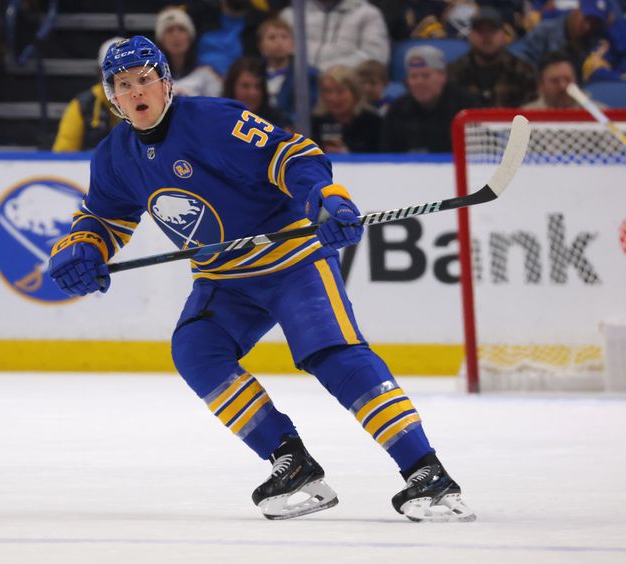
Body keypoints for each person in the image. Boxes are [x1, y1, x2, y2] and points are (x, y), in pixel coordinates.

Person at [47, 35, 476, 523]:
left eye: (144, 79)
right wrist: (83, 248)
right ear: (112, 96)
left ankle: (427, 471)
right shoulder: (113, 156)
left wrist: (325, 198)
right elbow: (102, 217)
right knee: (195, 351)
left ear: (165, 81)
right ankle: (291, 463)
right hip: (223, 278)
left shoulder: (213, 121)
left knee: (333, 357)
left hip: (289, 258)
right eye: (123, 85)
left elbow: (294, 156)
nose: (136, 92)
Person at [381, 45, 481, 153]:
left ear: (443, 76)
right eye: (413, 76)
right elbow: (386, 155)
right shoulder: (397, 111)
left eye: (426, 76)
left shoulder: (466, 107)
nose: (419, 82)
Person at [448, 6, 538, 107]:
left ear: (504, 36)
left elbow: (531, 113)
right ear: (470, 36)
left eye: (492, 30)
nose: (487, 37)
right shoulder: (453, 73)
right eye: (480, 31)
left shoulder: (524, 72)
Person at [280, 0, 390, 72]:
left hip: (348, 87)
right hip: (296, 87)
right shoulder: (289, 15)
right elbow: (279, 54)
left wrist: (329, 71)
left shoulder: (368, 14)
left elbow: (375, 57)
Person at [256, 17, 318, 125]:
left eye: (284, 37)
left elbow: (308, 110)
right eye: (272, 38)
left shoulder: (308, 74)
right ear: (261, 45)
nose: (279, 42)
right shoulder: (254, 73)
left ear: (293, 43)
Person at [311, 65, 381, 153]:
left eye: (340, 91)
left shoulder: (374, 123)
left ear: (355, 93)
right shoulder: (314, 123)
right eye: (327, 91)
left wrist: (348, 153)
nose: (333, 98)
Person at [154, 6, 222, 98]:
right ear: (161, 40)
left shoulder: (207, 75)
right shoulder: (152, 78)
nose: (176, 35)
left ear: (190, 37)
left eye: (182, 29)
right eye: (169, 30)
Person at [223, 56, 292, 130]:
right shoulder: (220, 117)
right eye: (245, 86)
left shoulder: (279, 123)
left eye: (258, 86)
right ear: (231, 87)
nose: (252, 93)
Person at [522, 50, 608, 108]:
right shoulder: (524, 118)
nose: (563, 86)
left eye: (568, 79)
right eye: (554, 81)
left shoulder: (599, 115)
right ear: (540, 85)